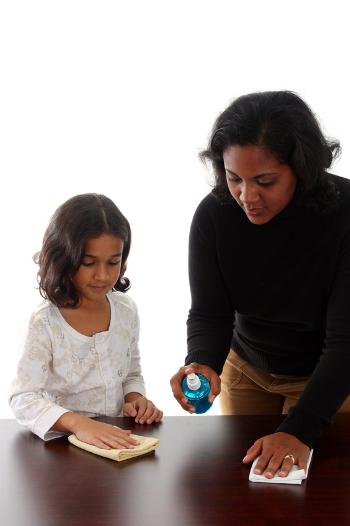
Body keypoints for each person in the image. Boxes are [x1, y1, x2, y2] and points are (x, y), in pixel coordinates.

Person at [170, 91, 350, 479]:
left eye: (265, 181)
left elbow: (346, 342)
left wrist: (300, 430)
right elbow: (209, 313)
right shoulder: (214, 216)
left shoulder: (345, 215)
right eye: (235, 178)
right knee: (241, 487)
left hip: (326, 377)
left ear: (303, 169)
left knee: (322, 493)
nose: (247, 197)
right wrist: (201, 361)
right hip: (246, 368)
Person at [10, 193, 162, 449]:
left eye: (113, 262)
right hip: (59, 450)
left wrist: (135, 398)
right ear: (64, 258)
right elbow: (23, 398)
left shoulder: (126, 311)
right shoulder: (44, 323)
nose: (103, 275)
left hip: (115, 443)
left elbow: (131, 373)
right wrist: (80, 424)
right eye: (88, 262)